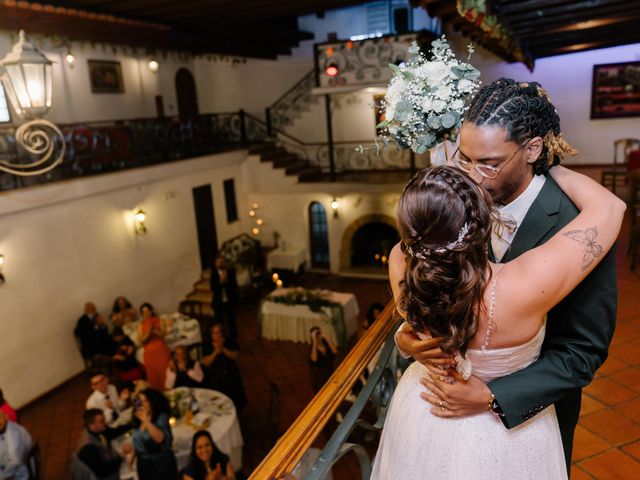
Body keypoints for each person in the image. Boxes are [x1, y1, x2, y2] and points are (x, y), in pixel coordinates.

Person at [394, 79, 619, 471]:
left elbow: (582, 352)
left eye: (490, 163)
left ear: (533, 149)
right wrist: (408, 337)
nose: (474, 177)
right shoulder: (452, 205)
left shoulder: (575, 224)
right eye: (465, 159)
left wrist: (494, 396)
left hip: (525, 419)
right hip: (436, 417)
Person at [70, 409, 133, 480]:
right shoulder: (89, 448)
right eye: (101, 421)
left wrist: (132, 424)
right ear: (92, 425)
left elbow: (112, 433)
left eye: (104, 419)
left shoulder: (98, 429)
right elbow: (103, 472)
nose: (105, 423)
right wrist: (122, 455)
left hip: (104, 464)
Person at [131, 388, 177, 480]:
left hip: (160, 465)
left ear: (153, 402)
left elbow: (160, 439)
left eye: (146, 401)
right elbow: (138, 438)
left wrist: (146, 421)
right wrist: (133, 455)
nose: (142, 404)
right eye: (140, 401)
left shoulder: (161, 417)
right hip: (144, 464)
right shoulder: (138, 418)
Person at [202, 323, 246, 410]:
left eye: (219, 332)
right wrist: (216, 351)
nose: (217, 335)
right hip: (215, 376)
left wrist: (223, 348)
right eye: (214, 333)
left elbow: (235, 356)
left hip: (230, 373)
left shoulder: (229, 341)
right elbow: (206, 363)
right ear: (210, 335)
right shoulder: (207, 344)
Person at [137, 303, 171, 391]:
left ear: (151, 311)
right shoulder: (141, 325)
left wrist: (154, 330)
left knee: (166, 371)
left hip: (160, 347)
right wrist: (148, 331)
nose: (146, 313)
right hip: (149, 351)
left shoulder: (160, 320)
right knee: (153, 374)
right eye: (144, 312)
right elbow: (141, 340)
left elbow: (163, 335)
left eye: (148, 311)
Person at [74, 302, 115, 368]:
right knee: (106, 346)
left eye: (93, 308)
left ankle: (114, 364)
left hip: (100, 341)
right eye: (90, 309)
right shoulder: (82, 320)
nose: (92, 310)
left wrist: (103, 325)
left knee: (112, 341)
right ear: (86, 310)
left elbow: (105, 330)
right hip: (90, 345)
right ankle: (106, 366)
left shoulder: (97, 316)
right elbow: (85, 335)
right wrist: (97, 326)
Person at [210, 255, 239, 343]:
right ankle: (222, 337)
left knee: (231, 320)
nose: (220, 264)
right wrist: (221, 281)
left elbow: (235, 286)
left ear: (224, 263)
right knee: (219, 320)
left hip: (229, 300)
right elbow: (213, 288)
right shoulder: (214, 273)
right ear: (215, 264)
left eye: (222, 262)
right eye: (218, 262)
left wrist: (226, 281)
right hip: (219, 301)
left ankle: (233, 337)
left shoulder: (230, 271)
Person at [0, 410, 32, 480]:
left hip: (23, 470)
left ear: (5, 417)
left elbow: (15, 460)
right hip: (11, 466)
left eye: (0, 418)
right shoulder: (4, 430)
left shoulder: (13, 433)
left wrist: (3, 476)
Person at [308, 327, 337, 394]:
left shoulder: (326, 343)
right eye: (316, 335)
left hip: (330, 372)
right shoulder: (312, 349)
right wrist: (314, 341)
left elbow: (335, 351)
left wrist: (325, 336)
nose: (317, 336)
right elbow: (314, 359)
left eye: (318, 333)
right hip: (320, 377)